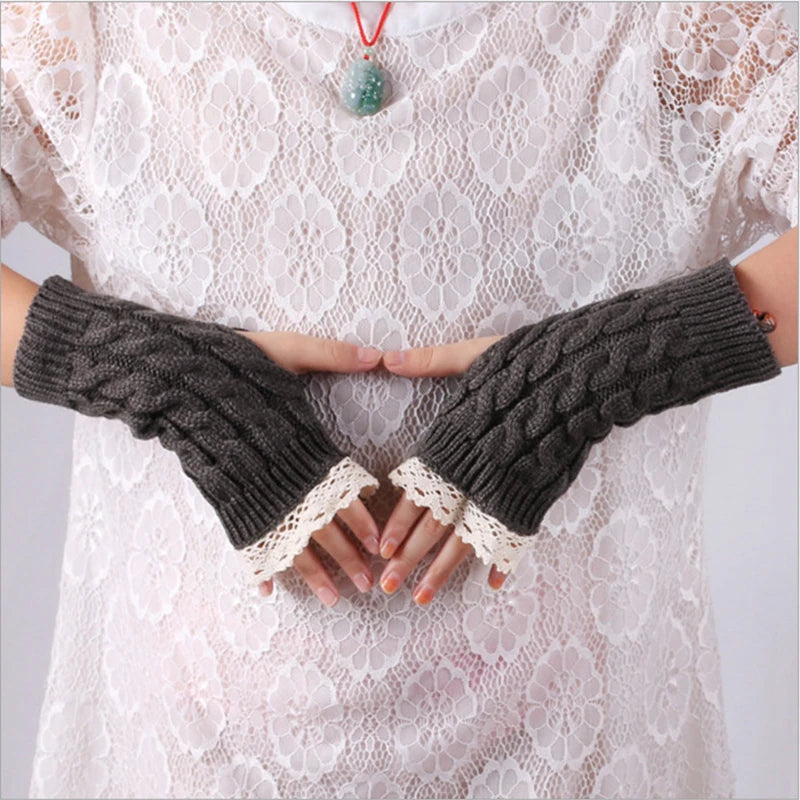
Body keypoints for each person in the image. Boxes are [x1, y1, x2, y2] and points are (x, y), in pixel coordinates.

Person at [1, 2, 797, 798]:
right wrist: (163, 375)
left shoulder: (677, 24)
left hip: (576, 754)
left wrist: (599, 368)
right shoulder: (84, 23)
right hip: (186, 759)